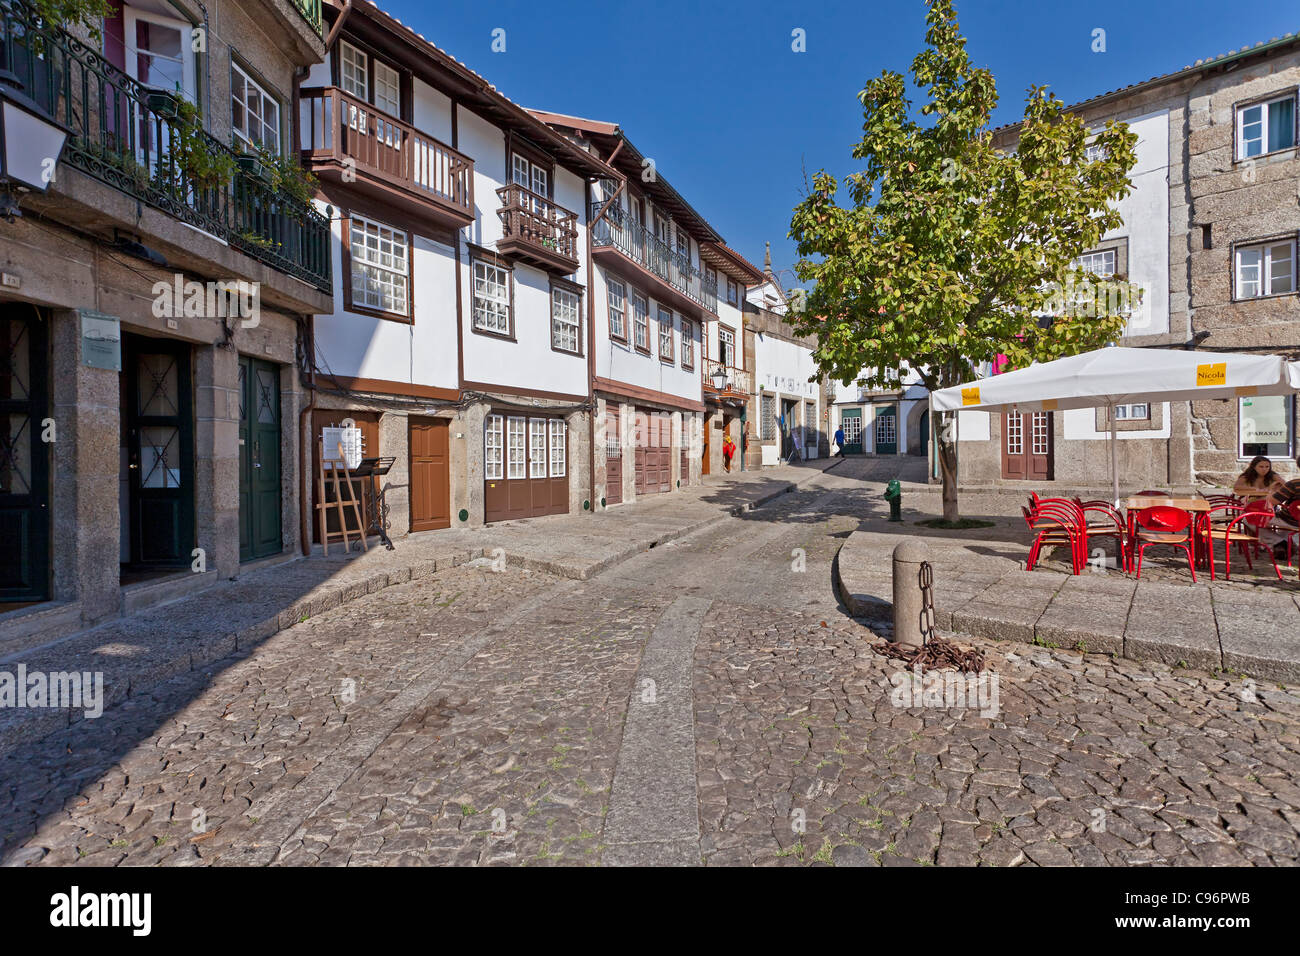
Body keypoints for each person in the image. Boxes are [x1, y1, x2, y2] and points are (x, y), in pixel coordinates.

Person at [1258, 455, 1300, 559]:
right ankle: (1285, 546)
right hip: (1294, 520)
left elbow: (1270, 502)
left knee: (1248, 519)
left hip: (1290, 520)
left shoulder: (1294, 484)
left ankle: (1279, 543)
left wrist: (1272, 491)